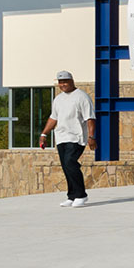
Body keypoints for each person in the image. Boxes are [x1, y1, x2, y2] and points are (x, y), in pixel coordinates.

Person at [37, 71, 94, 207]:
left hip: (76, 137)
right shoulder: (58, 99)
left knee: (70, 162)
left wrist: (91, 136)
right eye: (60, 82)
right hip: (61, 137)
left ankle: (81, 195)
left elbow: (90, 118)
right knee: (66, 166)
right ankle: (72, 196)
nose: (63, 84)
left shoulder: (82, 97)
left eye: (65, 81)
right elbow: (53, 118)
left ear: (72, 81)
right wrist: (44, 134)